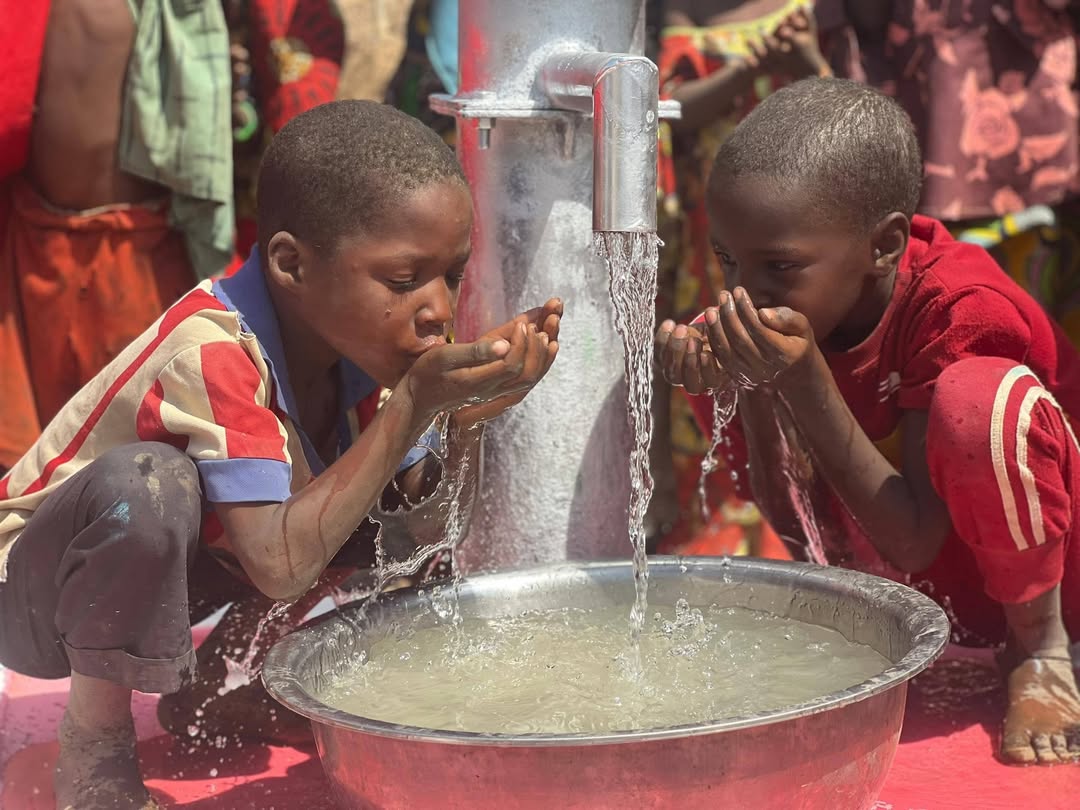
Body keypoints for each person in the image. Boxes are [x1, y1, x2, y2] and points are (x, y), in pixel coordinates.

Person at [0, 100, 562, 809]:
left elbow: (424, 536)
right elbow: (279, 566)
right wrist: (421, 402)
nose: (439, 310)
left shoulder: (366, 353)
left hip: (172, 574)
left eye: (450, 276)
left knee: (374, 500)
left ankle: (214, 688)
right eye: (402, 281)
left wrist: (464, 424)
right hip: (34, 597)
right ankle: (96, 750)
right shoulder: (211, 352)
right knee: (151, 484)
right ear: (292, 265)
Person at [656, 77, 1080, 765]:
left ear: (882, 246)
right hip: (920, 583)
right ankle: (857, 620)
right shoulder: (792, 305)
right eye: (728, 259)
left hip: (1053, 579)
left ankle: (1041, 653)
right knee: (717, 346)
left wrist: (802, 381)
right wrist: (758, 388)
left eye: (780, 266)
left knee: (980, 404)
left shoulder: (961, 308)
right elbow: (795, 523)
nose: (745, 290)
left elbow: (913, 540)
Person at [649, 0, 830, 554]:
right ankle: (712, 530)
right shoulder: (684, 13)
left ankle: (793, 529)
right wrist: (746, 72)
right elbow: (667, 109)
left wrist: (804, 57)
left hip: (792, 226)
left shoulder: (797, 12)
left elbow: (834, 111)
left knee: (785, 345)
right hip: (709, 236)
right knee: (704, 358)